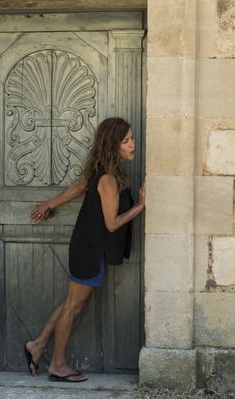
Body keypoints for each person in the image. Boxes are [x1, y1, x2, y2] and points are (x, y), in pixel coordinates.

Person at [24, 117, 145, 382]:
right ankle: (57, 364)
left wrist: (49, 204)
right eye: (126, 141)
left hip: (88, 247)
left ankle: (37, 345)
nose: (133, 145)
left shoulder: (103, 170)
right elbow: (112, 224)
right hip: (90, 250)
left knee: (72, 303)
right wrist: (141, 205)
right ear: (113, 146)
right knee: (74, 307)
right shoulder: (109, 178)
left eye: (132, 138)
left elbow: (80, 187)